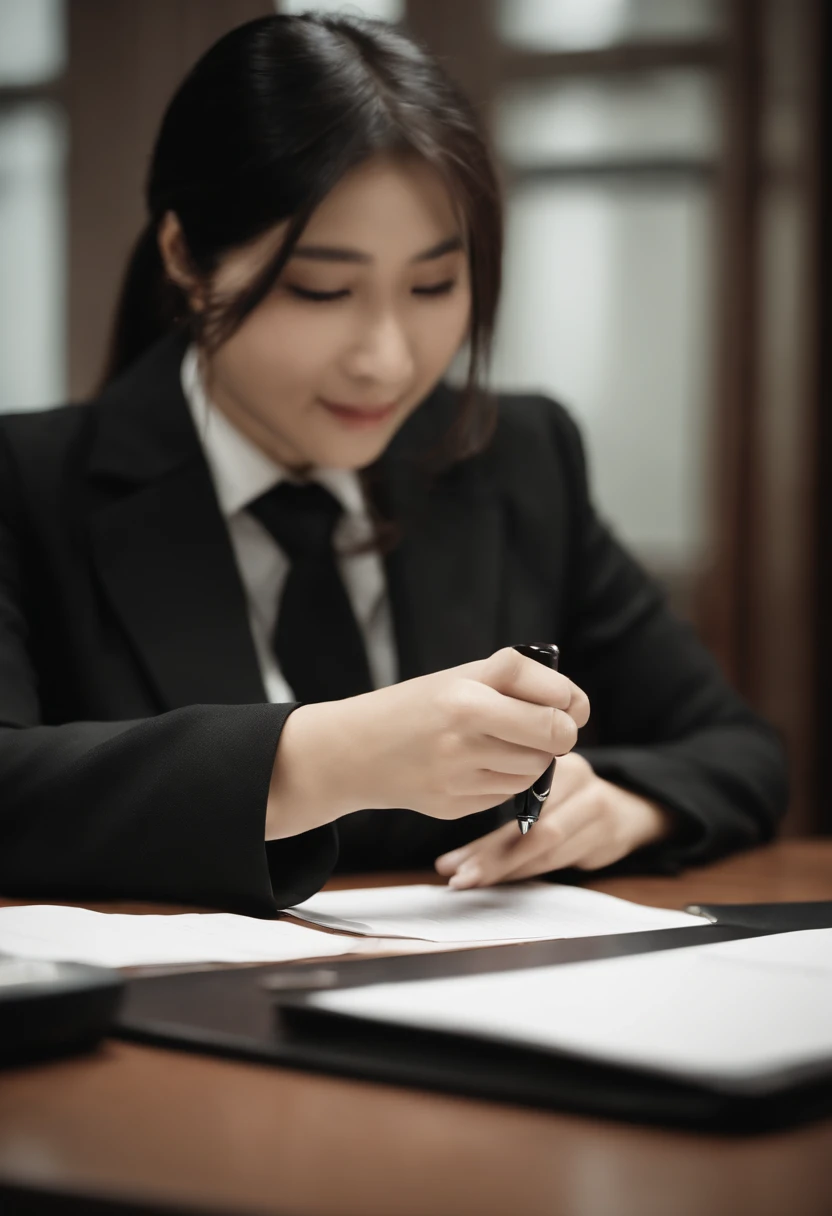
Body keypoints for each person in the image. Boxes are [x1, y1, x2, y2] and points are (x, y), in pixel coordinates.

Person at [0, 14, 786, 916]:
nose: (387, 359)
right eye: (321, 289)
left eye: (433, 287)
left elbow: (735, 746)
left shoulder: (516, 456)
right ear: (186, 258)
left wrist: (625, 807)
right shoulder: (30, 481)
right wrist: (327, 757)